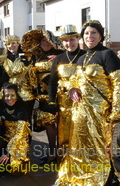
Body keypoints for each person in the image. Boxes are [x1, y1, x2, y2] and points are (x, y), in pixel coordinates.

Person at [55, 21, 120, 185]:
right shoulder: (81, 58)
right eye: (86, 33)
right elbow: (74, 80)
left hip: (100, 113)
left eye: (93, 32)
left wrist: (116, 110)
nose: (90, 36)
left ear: (100, 35)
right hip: (80, 112)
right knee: (81, 146)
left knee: (100, 147)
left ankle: (105, 179)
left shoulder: (107, 54)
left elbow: (119, 84)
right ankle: (84, 176)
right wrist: (72, 88)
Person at [48, 25, 86, 154]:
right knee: (64, 131)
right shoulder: (59, 58)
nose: (69, 43)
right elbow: (52, 81)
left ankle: (81, 157)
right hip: (63, 102)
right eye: (65, 41)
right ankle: (64, 158)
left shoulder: (86, 56)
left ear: (77, 39)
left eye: (72, 40)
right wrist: (52, 101)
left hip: (82, 101)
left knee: (81, 129)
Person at [31, 30, 64, 164]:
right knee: (49, 125)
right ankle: (52, 153)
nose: (45, 43)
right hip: (42, 96)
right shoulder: (37, 56)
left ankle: (61, 154)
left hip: (59, 95)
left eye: (47, 40)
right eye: (42, 41)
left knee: (61, 125)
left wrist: (59, 59)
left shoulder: (62, 55)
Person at [0, 83, 31, 176]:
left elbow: (19, 134)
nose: (9, 98)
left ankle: (8, 161)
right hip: (6, 139)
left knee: (14, 169)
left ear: (17, 95)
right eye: (6, 95)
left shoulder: (22, 110)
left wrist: (7, 153)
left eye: (12, 95)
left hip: (19, 143)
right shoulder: (2, 107)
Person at [1, 35, 35, 122]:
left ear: (18, 44)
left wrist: (27, 65)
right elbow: (4, 77)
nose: (11, 46)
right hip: (11, 92)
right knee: (13, 118)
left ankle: (28, 136)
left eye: (13, 43)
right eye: (8, 44)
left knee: (26, 118)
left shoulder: (28, 56)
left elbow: (32, 75)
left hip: (26, 91)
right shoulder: (4, 60)